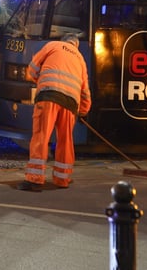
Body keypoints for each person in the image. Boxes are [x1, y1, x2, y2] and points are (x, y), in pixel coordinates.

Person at [17, 33, 92, 191]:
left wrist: (40, 81)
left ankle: (35, 180)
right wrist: (83, 111)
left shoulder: (53, 46)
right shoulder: (80, 59)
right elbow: (85, 92)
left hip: (49, 96)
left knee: (41, 136)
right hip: (70, 104)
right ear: (75, 45)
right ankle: (62, 179)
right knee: (65, 141)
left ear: (63, 41)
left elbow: (31, 70)